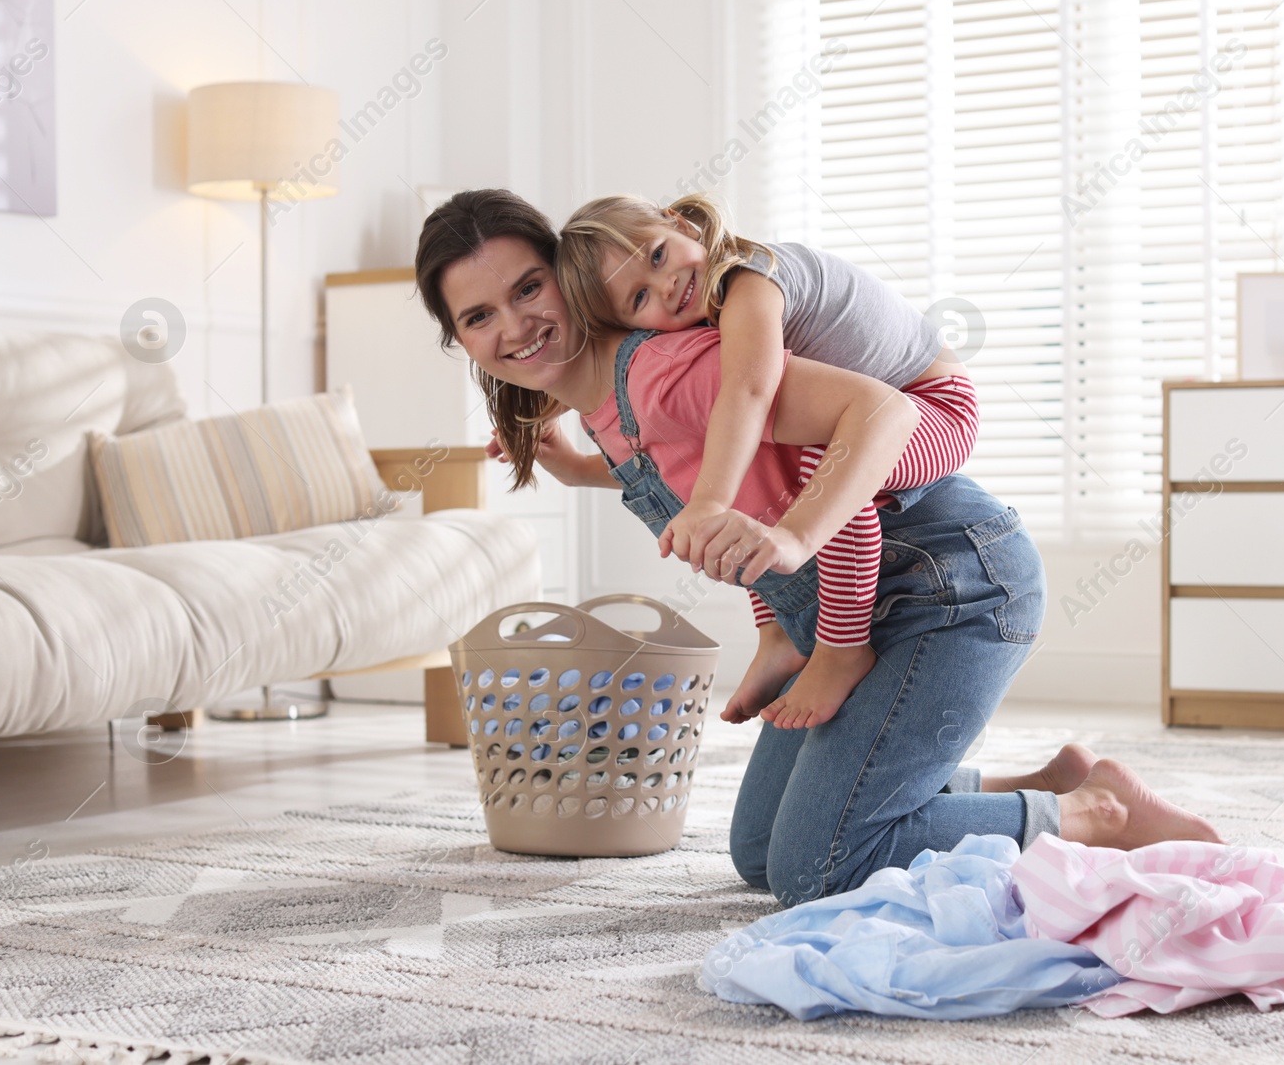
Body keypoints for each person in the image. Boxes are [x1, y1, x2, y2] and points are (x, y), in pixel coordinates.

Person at [413, 188, 1222, 909]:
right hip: (857, 606)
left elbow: (886, 413)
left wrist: (798, 551)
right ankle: (1053, 784)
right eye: (479, 316)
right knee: (761, 852)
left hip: (951, 588)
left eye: (527, 288)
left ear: (567, 277)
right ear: (460, 340)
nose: (515, 325)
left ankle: (1095, 816)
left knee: (819, 864)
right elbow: (706, 486)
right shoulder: (606, 410)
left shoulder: (672, 368)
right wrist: (574, 468)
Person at [556, 193, 980, 731]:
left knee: (810, 465)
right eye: (639, 297)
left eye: (658, 255)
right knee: (745, 458)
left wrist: (717, 505)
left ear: (681, 224)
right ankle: (777, 634)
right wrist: (570, 462)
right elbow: (685, 445)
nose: (664, 285)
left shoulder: (751, 279)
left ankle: (843, 648)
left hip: (935, 408)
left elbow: (749, 390)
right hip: (881, 408)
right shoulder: (707, 312)